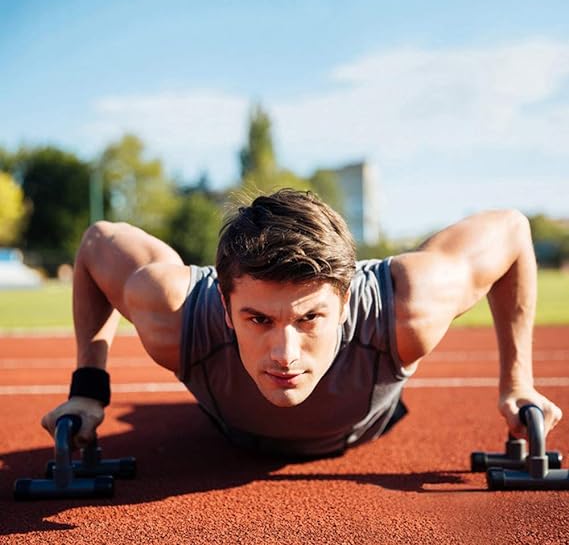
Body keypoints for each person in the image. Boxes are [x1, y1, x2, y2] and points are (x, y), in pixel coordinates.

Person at [42, 188, 562, 457]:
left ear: (346, 296)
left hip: (362, 428)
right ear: (225, 306)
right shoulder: (176, 315)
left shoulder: (407, 308)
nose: (284, 353)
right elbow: (95, 244)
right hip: (230, 433)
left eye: (311, 317)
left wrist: (517, 384)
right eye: (257, 319)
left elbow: (513, 231)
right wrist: (89, 390)